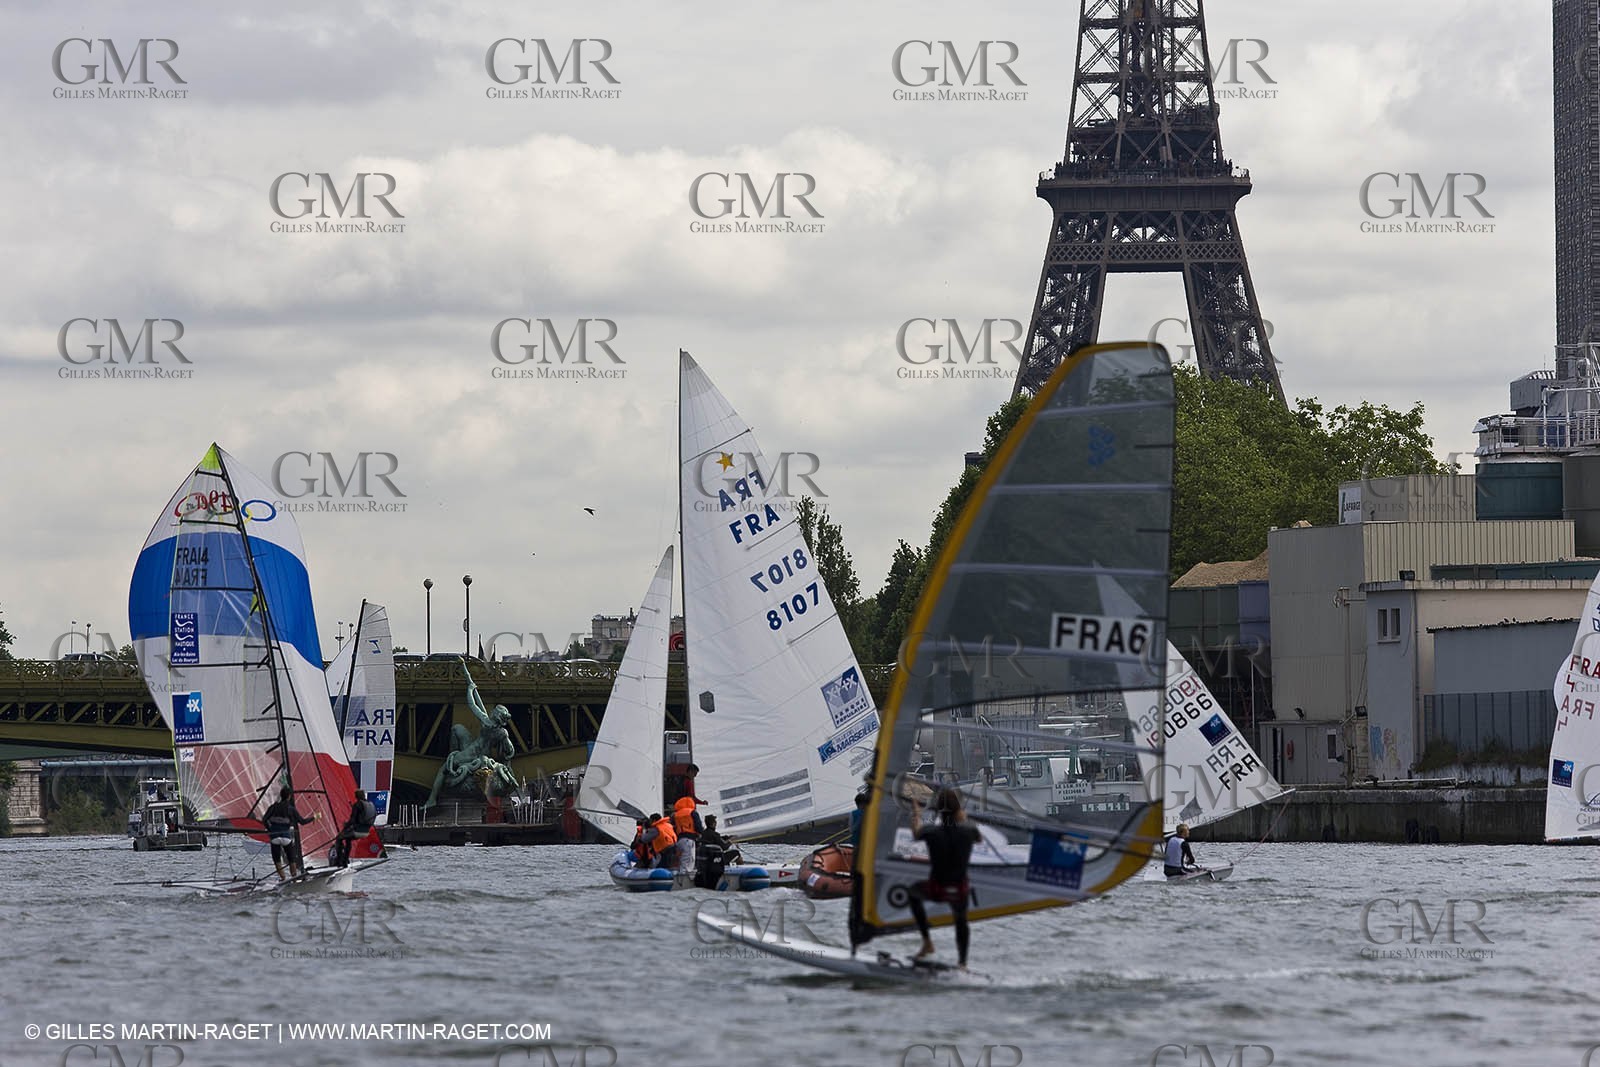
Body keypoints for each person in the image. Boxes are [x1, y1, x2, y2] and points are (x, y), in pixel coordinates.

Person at [906, 787, 980, 969]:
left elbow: (916, 833)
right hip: (959, 891)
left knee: (912, 892)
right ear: (958, 810)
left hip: (937, 889)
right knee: (961, 920)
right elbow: (979, 838)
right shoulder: (969, 832)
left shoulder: (931, 832)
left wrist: (916, 813)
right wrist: (963, 818)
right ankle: (962, 963)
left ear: (939, 811)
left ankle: (927, 941)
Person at [261, 786, 319, 880]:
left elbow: (264, 820)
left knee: (277, 860)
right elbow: (302, 821)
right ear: (289, 796)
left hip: (274, 837)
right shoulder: (291, 809)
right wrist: (314, 817)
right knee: (292, 859)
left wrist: (270, 830)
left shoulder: (273, 807)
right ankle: (294, 878)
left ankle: (283, 878)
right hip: (286, 838)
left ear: (281, 795)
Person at [331, 790, 378, 868]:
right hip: (366, 832)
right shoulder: (370, 804)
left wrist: (346, 825)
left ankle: (340, 862)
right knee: (348, 839)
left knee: (339, 838)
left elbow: (352, 820)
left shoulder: (357, 805)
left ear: (356, 796)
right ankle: (345, 860)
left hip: (357, 831)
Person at [671, 795, 703, 877]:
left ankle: (679, 879)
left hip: (679, 841)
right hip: (689, 840)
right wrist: (701, 833)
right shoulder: (692, 812)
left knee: (681, 862)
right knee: (688, 864)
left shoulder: (675, 815)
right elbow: (698, 826)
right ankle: (684, 881)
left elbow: (673, 827)